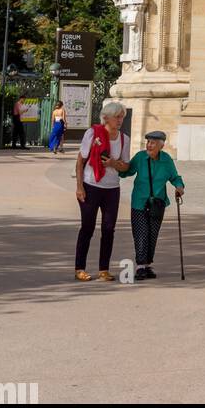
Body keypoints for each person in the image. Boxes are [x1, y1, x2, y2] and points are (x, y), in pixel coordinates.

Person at [74, 101, 130, 282]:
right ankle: (80, 268)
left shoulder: (124, 139)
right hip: (91, 186)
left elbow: (125, 166)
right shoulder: (92, 133)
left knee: (108, 229)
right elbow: (80, 162)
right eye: (117, 117)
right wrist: (80, 186)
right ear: (106, 117)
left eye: (122, 117)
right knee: (88, 228)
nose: (120, 120)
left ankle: (103, 269)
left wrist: (114, 163)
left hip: (112, 189)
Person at [123, 130, 185, 280]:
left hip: (158, 204)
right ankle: (140, 266)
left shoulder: (166, 160)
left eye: (152, 143)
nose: (149, 145)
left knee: (152, 235)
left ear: (161, 146)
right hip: (139, 202)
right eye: (148, 142)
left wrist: (179, 186)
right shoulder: (140, 157)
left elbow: (175, 177)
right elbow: (128, 171)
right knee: (141, 234)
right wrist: (116, 166)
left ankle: (147, 264)